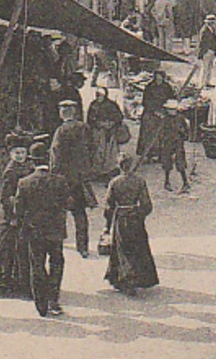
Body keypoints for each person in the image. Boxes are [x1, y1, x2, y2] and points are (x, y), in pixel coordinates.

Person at [14, 137, 70, 318]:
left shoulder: (24, 182)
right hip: (55, 231)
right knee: (57, 263)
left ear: (32, 160)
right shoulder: (60, 181)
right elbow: (68, 202)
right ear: (48, 159)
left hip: (34, 231)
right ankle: (54, 300)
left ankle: (41, 305)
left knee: (37, 265)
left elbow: (18, 209)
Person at [0, 133, 36, 298]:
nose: (20, 155)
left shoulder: (29, 167)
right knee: (4, 246)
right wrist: (13, 214)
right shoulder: (10, 171)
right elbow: (5, 197)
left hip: (24, 212)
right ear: (11, 154)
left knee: (23, 247)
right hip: (10, 214)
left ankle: (20, 282)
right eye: (16, 153)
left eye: (23, 152)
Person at [103, 154, 159, 295]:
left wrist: (107, 225)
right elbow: (147, 204)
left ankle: (124, 280)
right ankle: (139, 278)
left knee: (122, 250)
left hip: (121, 218)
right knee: (138, 248)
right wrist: (140, 215)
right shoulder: (139, 181)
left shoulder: (115, 182)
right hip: (135, 218)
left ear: (119, 165)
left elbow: (109, 206)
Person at [51, 99, 97, 258]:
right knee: (80, 214)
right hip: (80, 177)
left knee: (59, 212)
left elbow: (56, 155)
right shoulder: (84, 128)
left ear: (62, 113)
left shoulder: (60, 131)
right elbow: (92, 148)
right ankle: (82, 247)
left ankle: (57, 242)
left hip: (64, 178)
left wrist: (53, 174)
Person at [136, 69, 174, 164]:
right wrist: (154, 111)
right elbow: (145, 101)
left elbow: (171, 100)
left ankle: (162, 155)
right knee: (149, 132)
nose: (158, 80)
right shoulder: (149, 87)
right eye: (157, 78)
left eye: (160, 78)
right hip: (150, 112)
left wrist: (165, 110)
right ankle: (149, 155)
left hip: (163, 112)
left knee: (164, 133)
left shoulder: (167, 87)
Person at [155, 101, 191, 194]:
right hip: (168, 142)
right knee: (167, 162)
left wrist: (183, 133)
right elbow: (160, 131)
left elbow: (186, 131)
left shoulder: (180, 118)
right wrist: (162, 140)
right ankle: (167, 182)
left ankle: (185, 182)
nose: (172, 111)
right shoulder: (165, 119)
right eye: (170, 109)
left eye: (174, 109)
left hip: (178, 142)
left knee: (180, 161)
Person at [195, 14, 216, 89]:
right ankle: (202, 84)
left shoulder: (211, 29)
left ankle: (207, 82)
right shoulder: (205, 30)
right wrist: (201, 53)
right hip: (207, 51)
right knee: (205, 68)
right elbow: (202, 43)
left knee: (209, 67)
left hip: (211, 50)